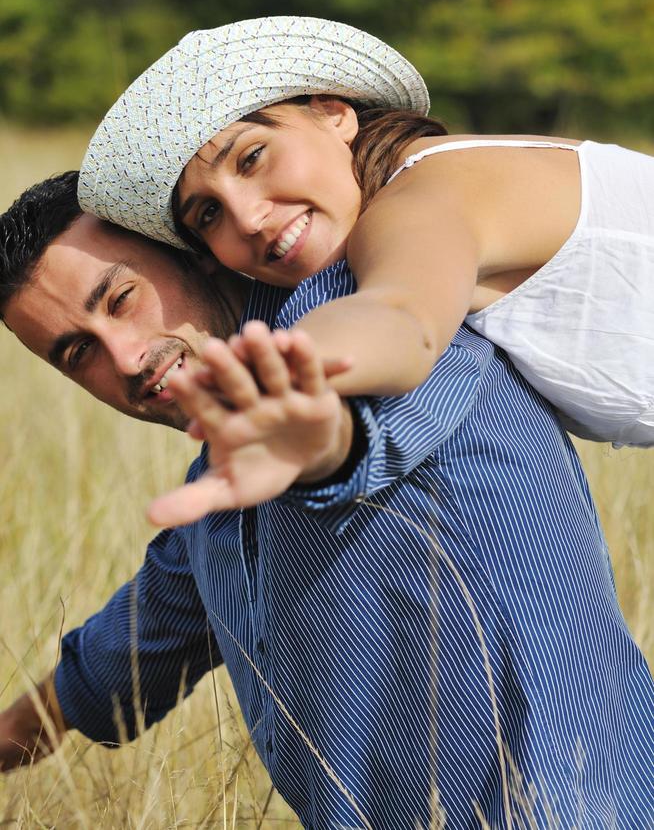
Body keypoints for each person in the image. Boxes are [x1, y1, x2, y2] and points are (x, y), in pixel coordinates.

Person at [1, 173, 653, 828]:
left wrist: (319, 450)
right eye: (79, 352)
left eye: (121, 299)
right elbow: (121, 660)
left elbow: (358, 434)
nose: (129, 357)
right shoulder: (223, 491)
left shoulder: (389, 334)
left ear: (193, 250)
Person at [78, 15, 654, 449]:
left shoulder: (422, 203)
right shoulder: (424, 177)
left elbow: (402, 319)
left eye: (252, 158)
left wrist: (292, 369)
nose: (247, 217)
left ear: (334, 113)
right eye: (208, 215)